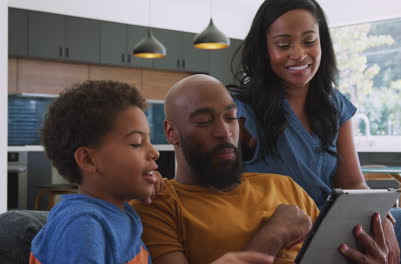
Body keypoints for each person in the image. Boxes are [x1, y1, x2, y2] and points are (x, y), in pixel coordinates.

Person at [229, 0, 401, 263]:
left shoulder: (334, 104)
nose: (298, 54)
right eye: (283, 44)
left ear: (322, 44)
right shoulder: (239, 110)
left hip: (334, 223)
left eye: (309, 41)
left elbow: (352, 183)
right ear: (264, 48)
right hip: (284, 229)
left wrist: (382, 217)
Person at [132, 74, 392, 264]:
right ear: (171, 132)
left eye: (231, 117)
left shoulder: (284, 186)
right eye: (203, 121)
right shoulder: (158, 204)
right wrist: (273, 235)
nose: (224, 131)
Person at [30, 80, 267, 264]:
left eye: (149, 141)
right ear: (88, 159)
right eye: (136, 143)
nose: (154, 152)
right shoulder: (82, 226)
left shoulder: (121, 214)